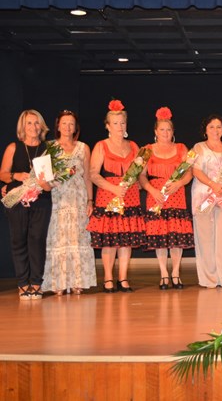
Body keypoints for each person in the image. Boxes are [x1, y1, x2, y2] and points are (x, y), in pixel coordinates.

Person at [87, 100, 146, 293]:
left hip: (129, 196)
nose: (120, 127)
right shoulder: (101, 146)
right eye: (115, 123)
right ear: (107, 126)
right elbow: (93, 174)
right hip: (109, 196)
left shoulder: (134, 146)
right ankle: (108, 278)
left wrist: (137, 181)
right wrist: (114, 189)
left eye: (122, 123)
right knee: (110, 240)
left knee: (126, 240)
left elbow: (141, 173)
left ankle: (123, 278)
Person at [42, 110, 96, 295]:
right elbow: (45, 177)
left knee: (78, 237)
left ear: (76, 127)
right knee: (60, 238)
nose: (68, 127)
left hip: (79, 198)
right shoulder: (50, 147)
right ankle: (59, 282)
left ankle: (77, 281)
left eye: (71, 124)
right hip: (59, 199)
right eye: (64, 123)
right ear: (58, 126)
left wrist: (90, 200)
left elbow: (88, 176)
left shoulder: (83, 147)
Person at [139, 107, 194, 290]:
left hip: (176, 194)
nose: (165, 133)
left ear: (173, 132)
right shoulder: (147, 149)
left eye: (169, 129)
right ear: (155, 131)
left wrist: (179, 184)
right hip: (156, 196)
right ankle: (164, 273)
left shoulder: (181, 148)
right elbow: (141, 175)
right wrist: (150, 190)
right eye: (162, 129)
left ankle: (176, 273)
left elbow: (189, 173)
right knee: (160, 236)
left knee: (176, 236)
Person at [0, 110, 52, 299]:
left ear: (42, 126)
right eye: (29, 123)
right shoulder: (14, 147)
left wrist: (44, 183)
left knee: (37, 240)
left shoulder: (48, 149)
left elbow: (49, 184)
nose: (33, 127)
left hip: (41, 201)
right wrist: (16, 176)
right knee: (18, 240)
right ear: (23, 127)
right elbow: (3, 174)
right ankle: (23, 283)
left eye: (36, 123)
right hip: (17, 200)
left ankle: (36, 282)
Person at [191, 114, 222, 288]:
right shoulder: (198, 147)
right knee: (205, 238)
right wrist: (212, 184)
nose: (215, 130)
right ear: (205, 130)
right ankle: (209, 279)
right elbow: (195, 171)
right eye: (211, 126)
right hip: (203, 197)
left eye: (218, 127)